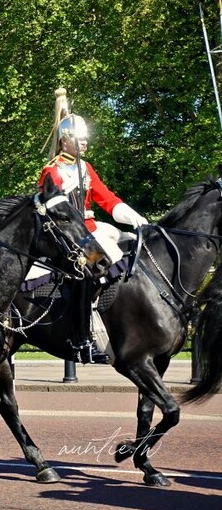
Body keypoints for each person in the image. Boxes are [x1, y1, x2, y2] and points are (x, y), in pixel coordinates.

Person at [39, 87, 148, 364]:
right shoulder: (52, 171)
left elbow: (106, 198)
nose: (85, 143)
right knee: (94, 264)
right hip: (70, 235)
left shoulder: (86, 168)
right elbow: (53, 210)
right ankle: (83, 336)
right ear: (65, 141)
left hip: (91, 227)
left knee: (126, 247)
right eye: (80, 139)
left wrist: (132, 215)